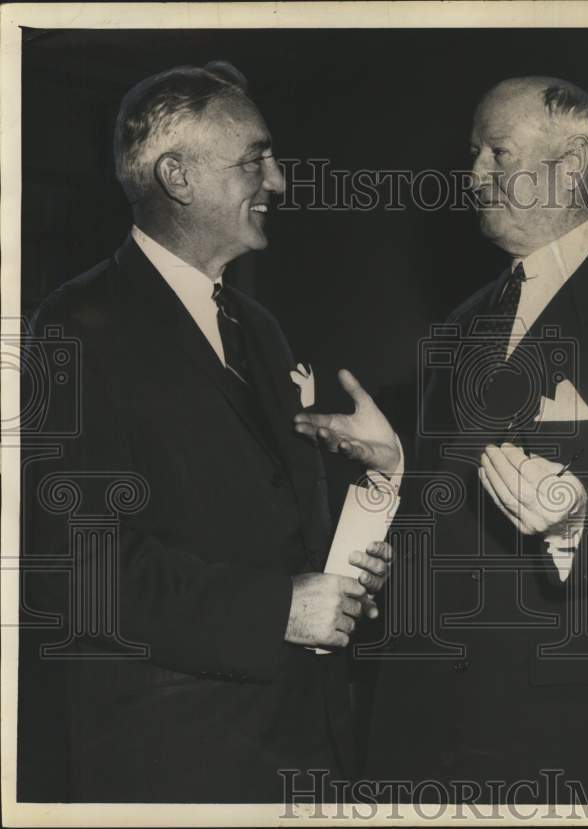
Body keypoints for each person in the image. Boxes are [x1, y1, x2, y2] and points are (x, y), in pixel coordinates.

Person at [296, 76, 588, 800]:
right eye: (474, 154)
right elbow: (454, 510)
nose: (473, 176)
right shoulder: (460, 324)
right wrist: (398, 467)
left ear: (574, 164)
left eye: (496, 153)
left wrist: (576, 519)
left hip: (565, 731)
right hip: (422, 726)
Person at [19, 61, 394, 803]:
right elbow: (80, 567)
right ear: (178, 176)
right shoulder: (76, 325)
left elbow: (272, 526)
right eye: (255, 158)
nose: (280, 181)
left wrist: (371, 503)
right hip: (175, 763)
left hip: (303, 743)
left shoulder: (261, 329)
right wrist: (278, 609)